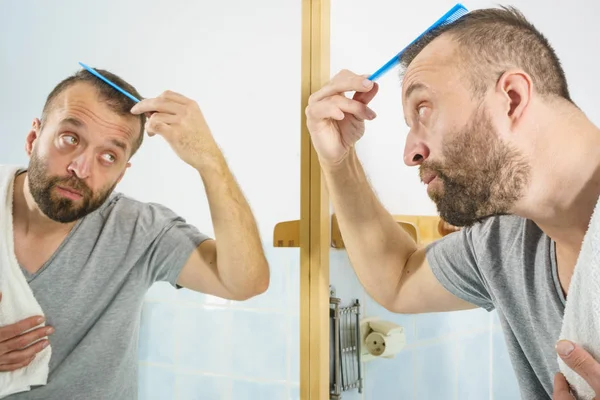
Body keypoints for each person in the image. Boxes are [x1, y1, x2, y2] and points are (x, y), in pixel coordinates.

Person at [306, 6, 600, 400]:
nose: (410, 153)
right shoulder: (505, 244)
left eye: (423, 109)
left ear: (512, 98)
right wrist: (339, 160)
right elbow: (398, 280)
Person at [0, 67, 270, 399]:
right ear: (33, 138)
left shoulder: (137, 231)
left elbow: (244, 282)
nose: (82, 169)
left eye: (108, 156)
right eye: (70, 138)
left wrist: (209, 160)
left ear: (121, 174)